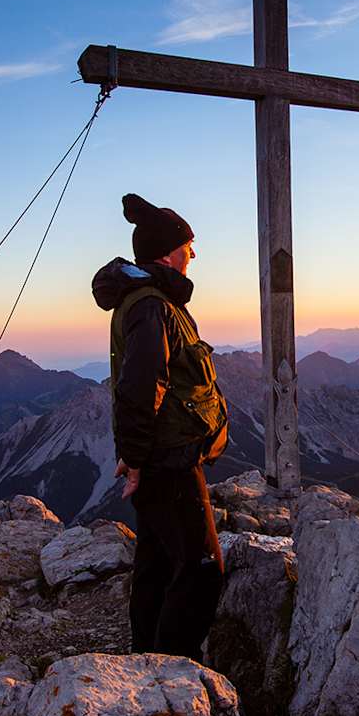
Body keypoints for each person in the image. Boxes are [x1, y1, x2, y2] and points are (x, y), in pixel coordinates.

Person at [91, 193, 230, 659]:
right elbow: (140, 385)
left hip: (160, 457)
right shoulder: (152, 305)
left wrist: (136, 456)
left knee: (156, 563)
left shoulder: (150, 301)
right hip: (168, 461)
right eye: (190, 248)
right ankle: (172, 675)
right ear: (171, 251)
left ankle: (144, 661)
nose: (193, 257)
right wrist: (135, 459)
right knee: (201, 568)